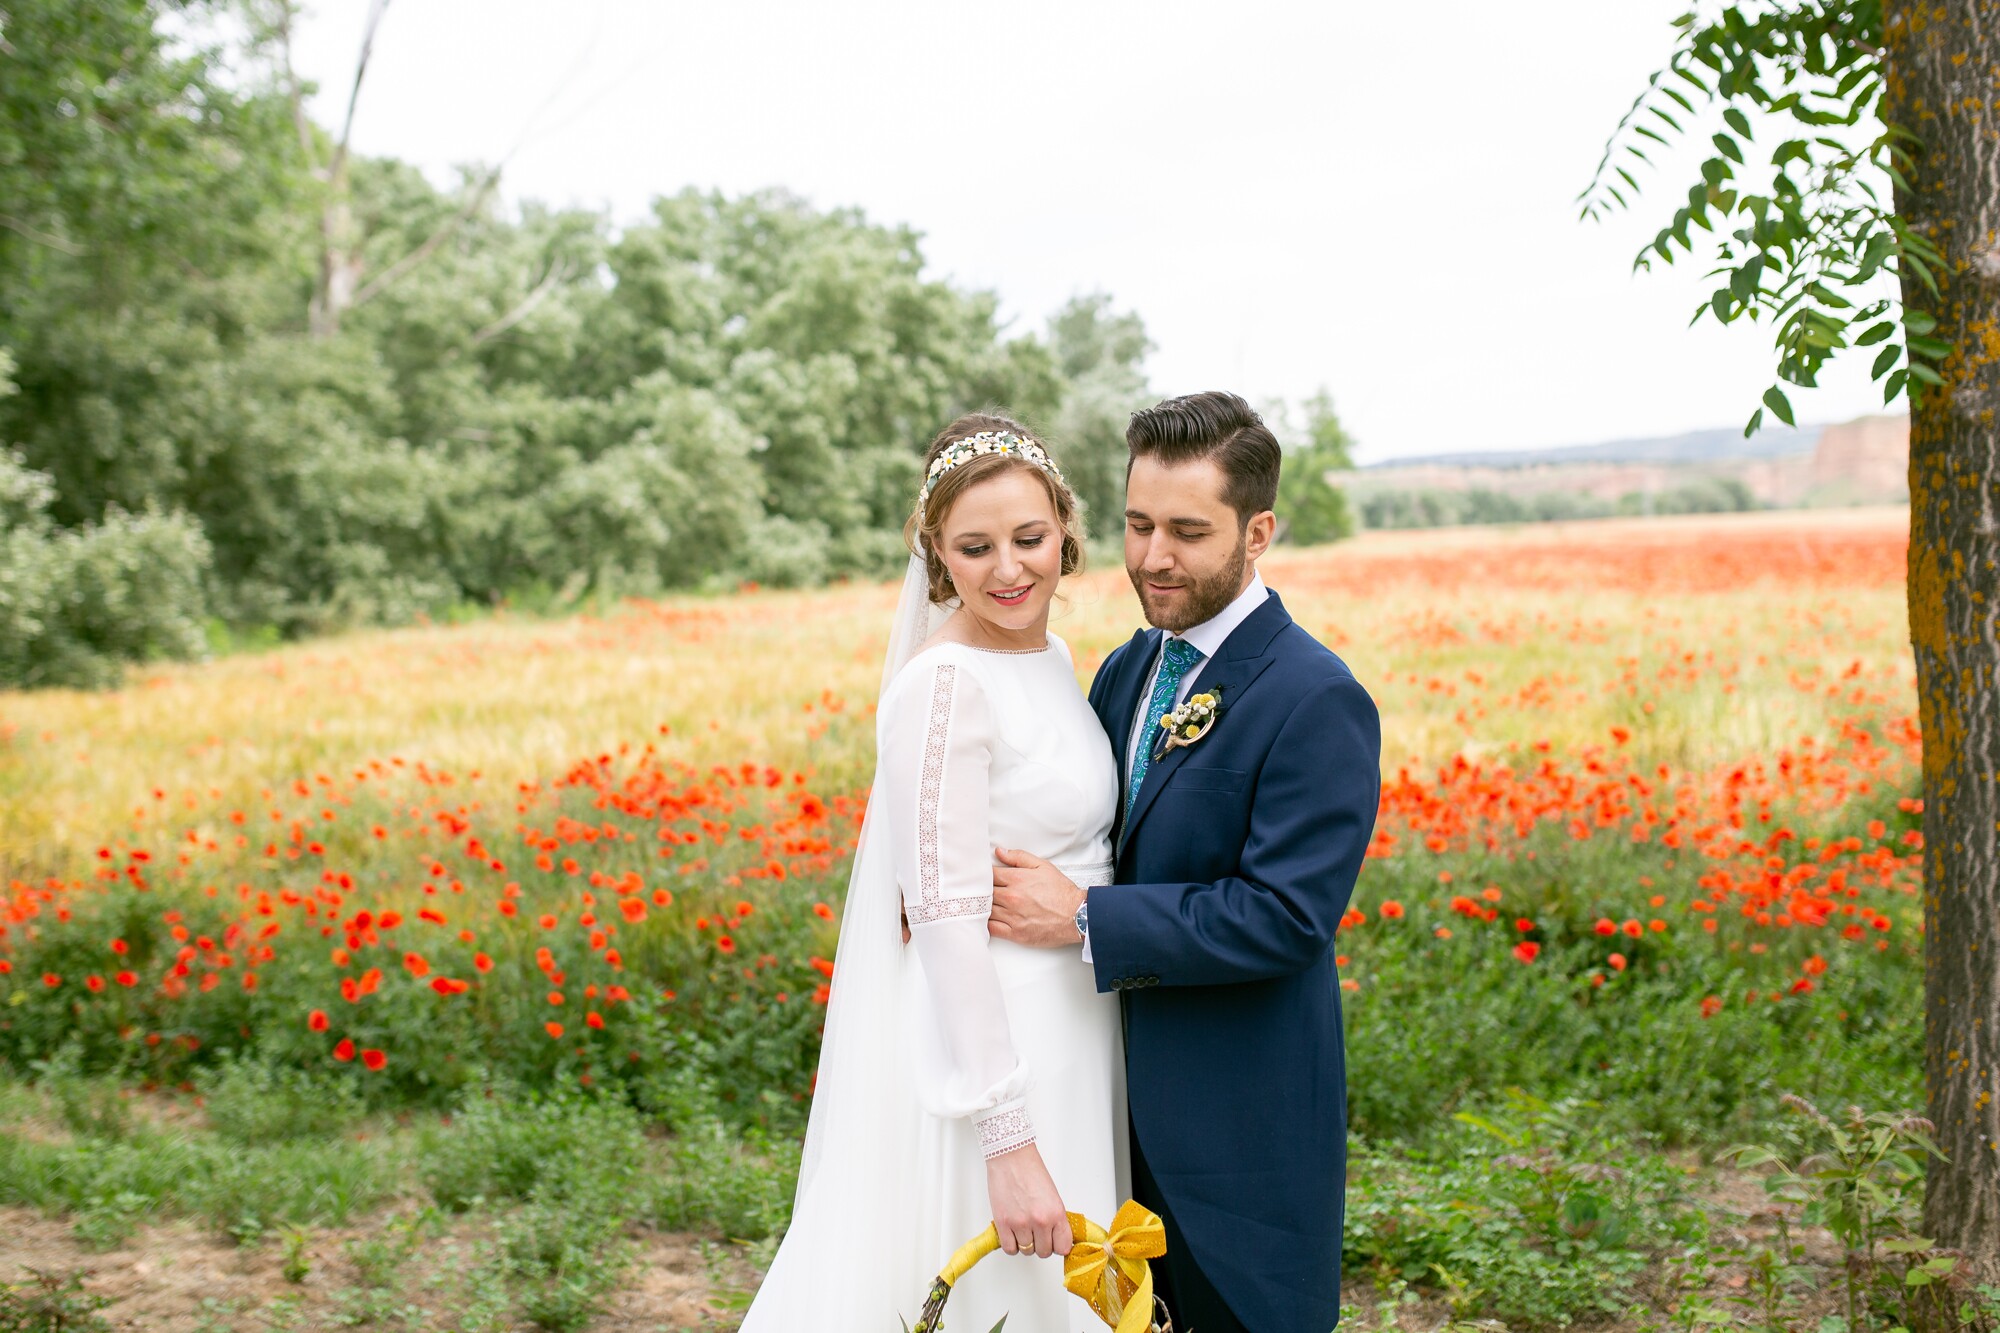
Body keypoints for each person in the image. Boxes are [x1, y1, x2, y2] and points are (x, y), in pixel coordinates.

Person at [990, 391, 1382, 1333]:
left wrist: (1085, 920)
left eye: (1187, 531)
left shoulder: (1316, 697)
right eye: (1136, 524)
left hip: (1236, 1140)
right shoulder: (1129, 668)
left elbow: (1286, 916)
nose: (1152, 556)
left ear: (1259, 532)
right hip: (1104, 1112)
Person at [739, 414, 1127, 1332]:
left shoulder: (1053, 657)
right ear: (936, 554)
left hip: (1078, 1027)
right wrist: (1006, 1138)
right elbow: (948, 923)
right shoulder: (943, 682)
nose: (1008, 569)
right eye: (974, 547)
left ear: (1066, 532)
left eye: (1029, 539)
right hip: (999, 1052)